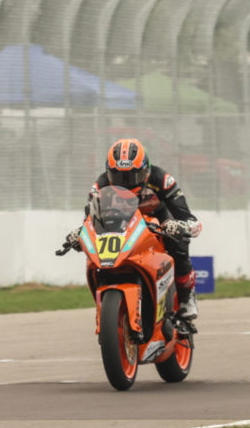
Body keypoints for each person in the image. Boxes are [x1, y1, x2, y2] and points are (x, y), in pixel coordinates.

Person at [65, 138, 203, 321]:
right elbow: (90, 220)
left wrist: (181, 226)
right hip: (122, 221)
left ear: (145, 171)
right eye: (119, 177)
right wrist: (79, 234)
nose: (126, 184)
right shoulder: (100, 185)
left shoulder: (162, 179)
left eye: (131, 177)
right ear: (108, 172)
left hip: (158, 218)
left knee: (178, 243)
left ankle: (186, 298)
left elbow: (188, 217)